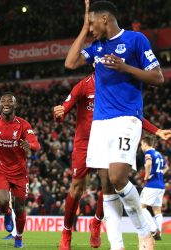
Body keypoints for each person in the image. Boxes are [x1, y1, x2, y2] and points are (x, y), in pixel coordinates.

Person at [65, 0, 165, 249]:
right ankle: (116, 246)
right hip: (100, 123)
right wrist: (82, 27)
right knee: (107, 186)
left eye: (92, 24)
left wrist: (125, 67)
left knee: (119, 177)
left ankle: (144, 231)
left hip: (126, 118)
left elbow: (158, 77)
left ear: (105, 19)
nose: (90, 30)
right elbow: (71, 62)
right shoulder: (97, 47)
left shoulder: (135, 40)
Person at [53, 73, 171, 249]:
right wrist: (59, 114)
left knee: (109, 182)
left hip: (108, 138)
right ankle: (67, 232)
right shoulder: (84, 85)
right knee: (76, 188)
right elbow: (63, 111)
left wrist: (156, 130)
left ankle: (97, 222)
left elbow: (130, 113)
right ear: (94, 62)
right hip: (84, 142)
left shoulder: (115, 85)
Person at [0, 93, 40, 248]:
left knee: (20, 207)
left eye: (10, 101)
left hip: (19, 173)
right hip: (1, 170)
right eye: (3, 101)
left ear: (15, 105)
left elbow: (36, 144)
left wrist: (29, 146)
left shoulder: (23, 125)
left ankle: (19, 237)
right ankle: (7, 213)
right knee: (2, 201)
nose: (6, 103)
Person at [140, 136, 169, 240]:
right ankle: (159, 233)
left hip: (152, 185)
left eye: (142, 144)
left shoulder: (148, 153)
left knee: (141, 207)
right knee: (157, 210)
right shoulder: (159, 154)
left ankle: (153, 229)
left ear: (146, 144)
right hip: (161, 185)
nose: (141, 147)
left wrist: (146, 176)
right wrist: (159, 174)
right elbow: (166, 167)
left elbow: (148, 163)